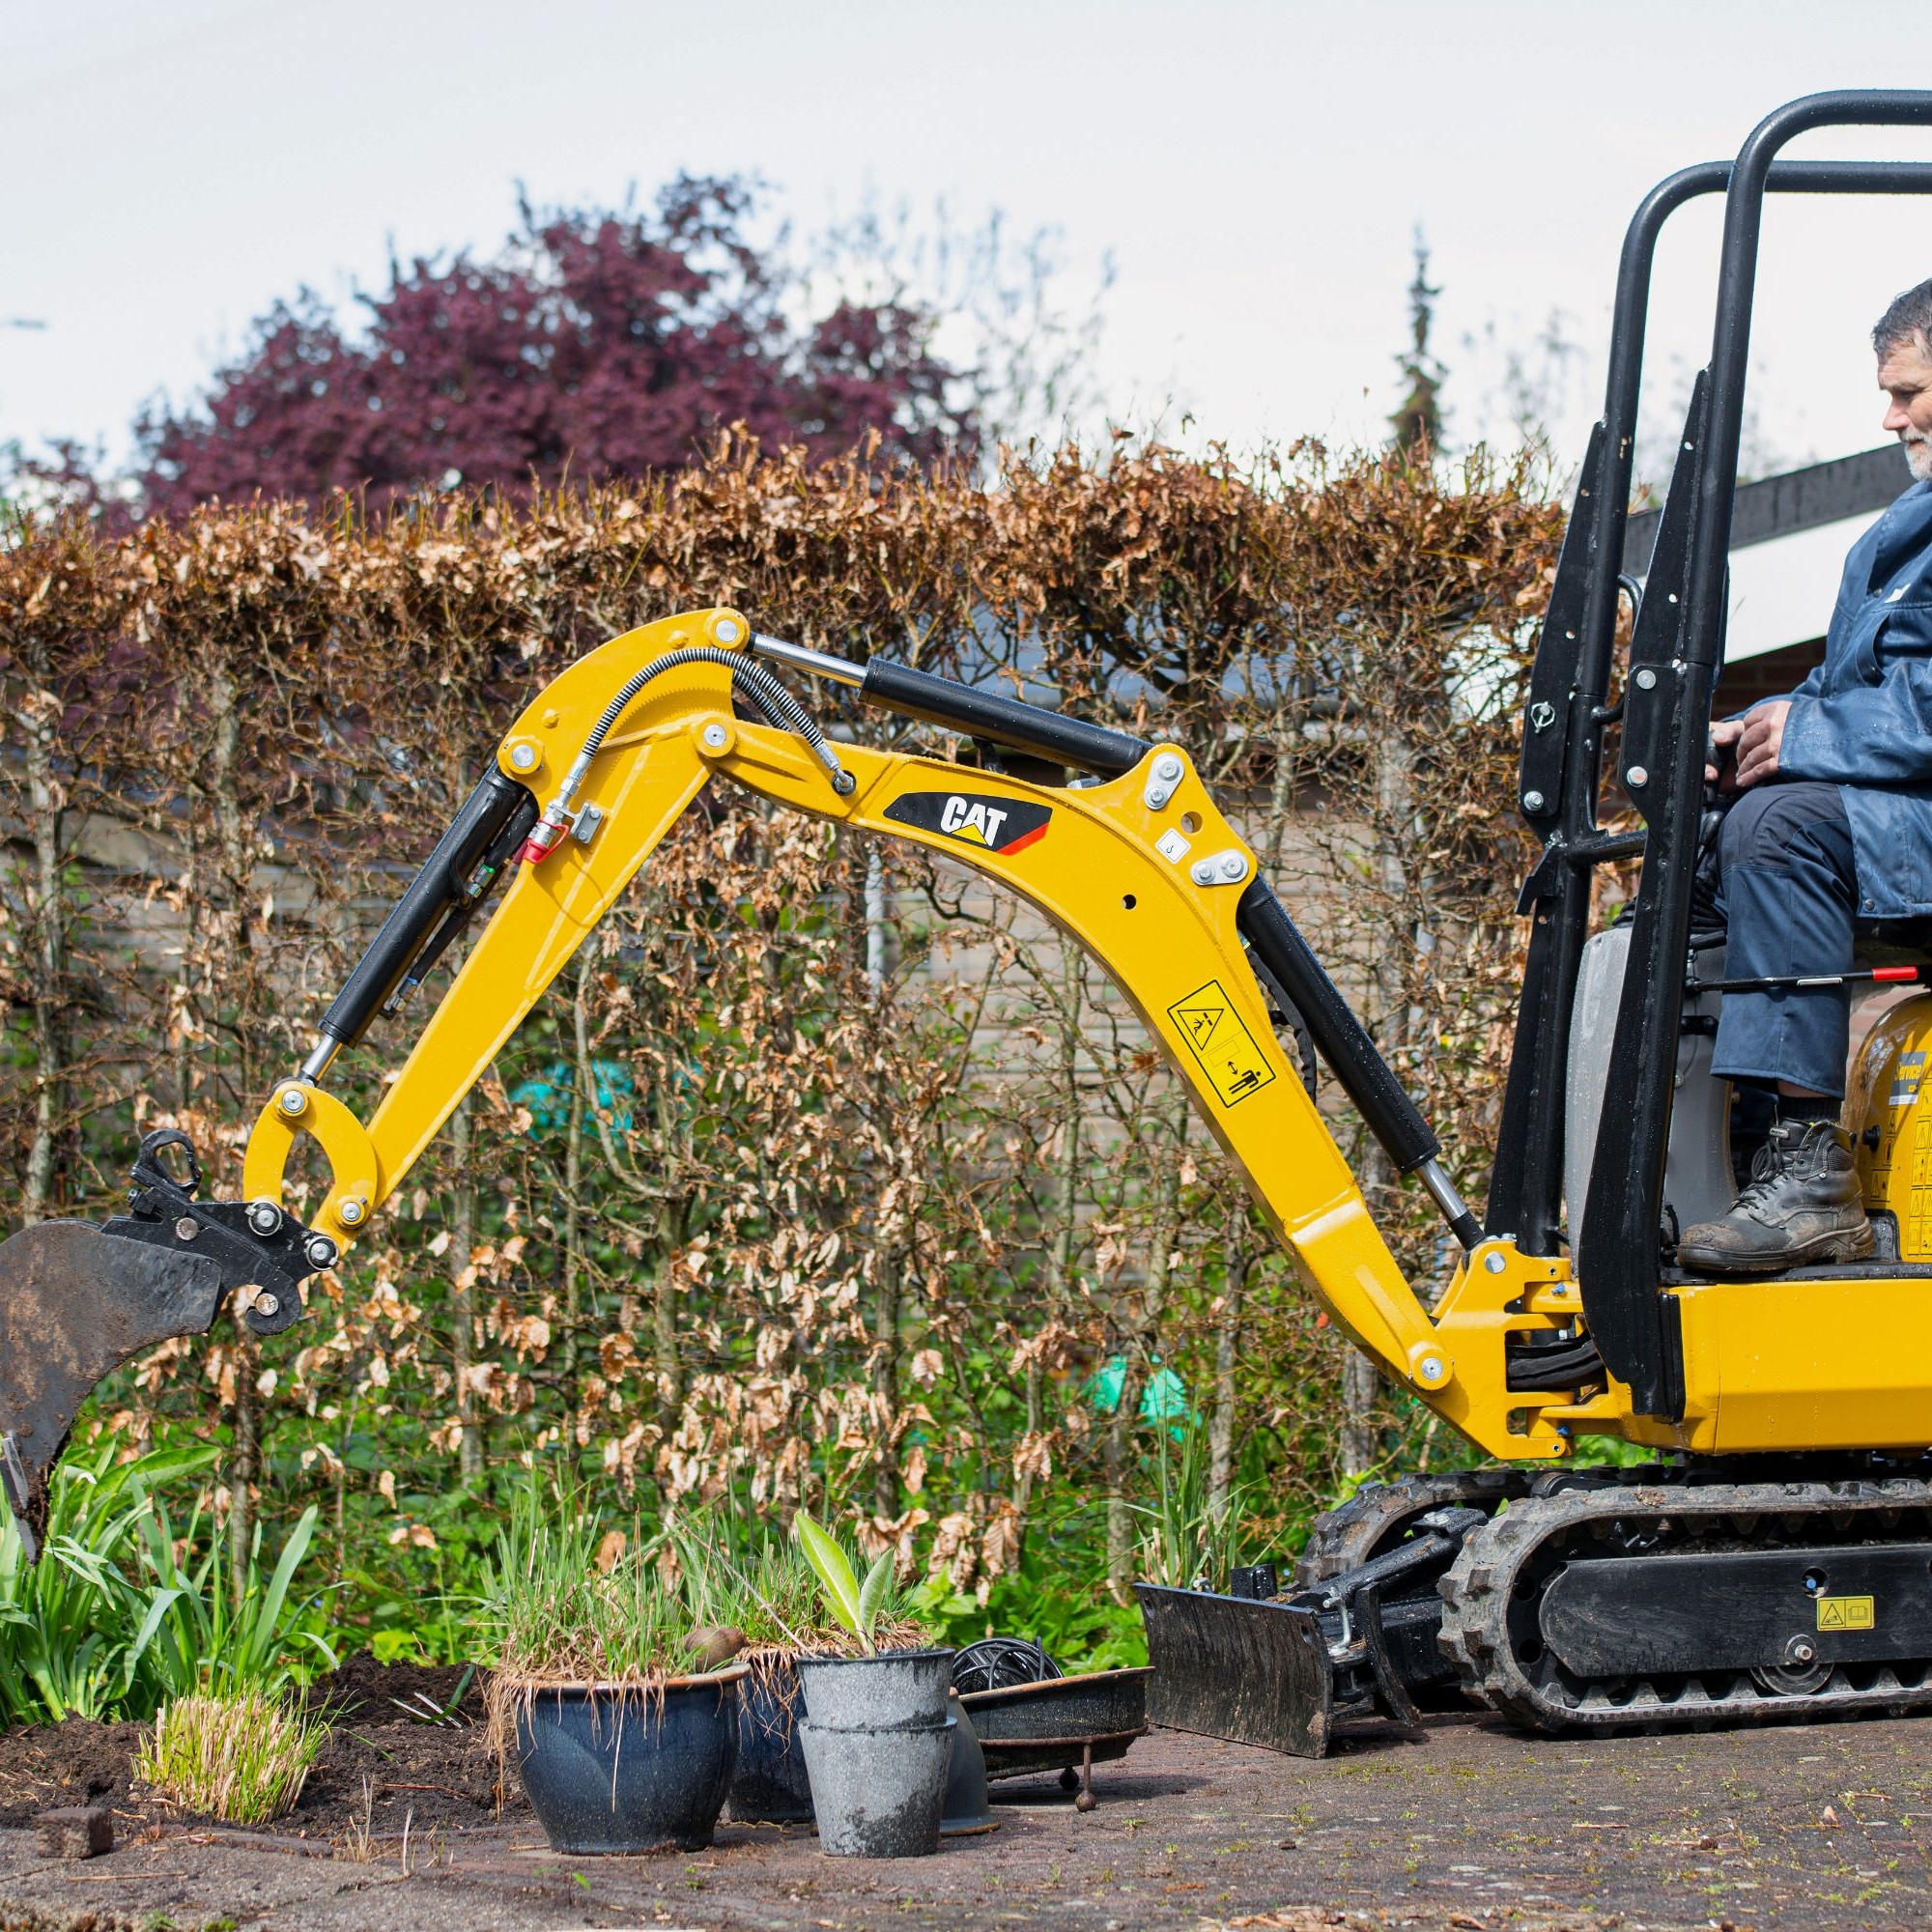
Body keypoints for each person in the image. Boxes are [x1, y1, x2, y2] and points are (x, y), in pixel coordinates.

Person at [1677, 279, 1932, 1272]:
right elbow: (1836, 689)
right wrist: (1743, 731)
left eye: (1909, 390)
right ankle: (1714, 1156)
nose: (1889, 414)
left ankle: (1806, 1176)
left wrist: (1807, 739)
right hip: (1906, 812)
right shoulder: (1898, 538)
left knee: (1781, 828)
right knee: (1697, 845)